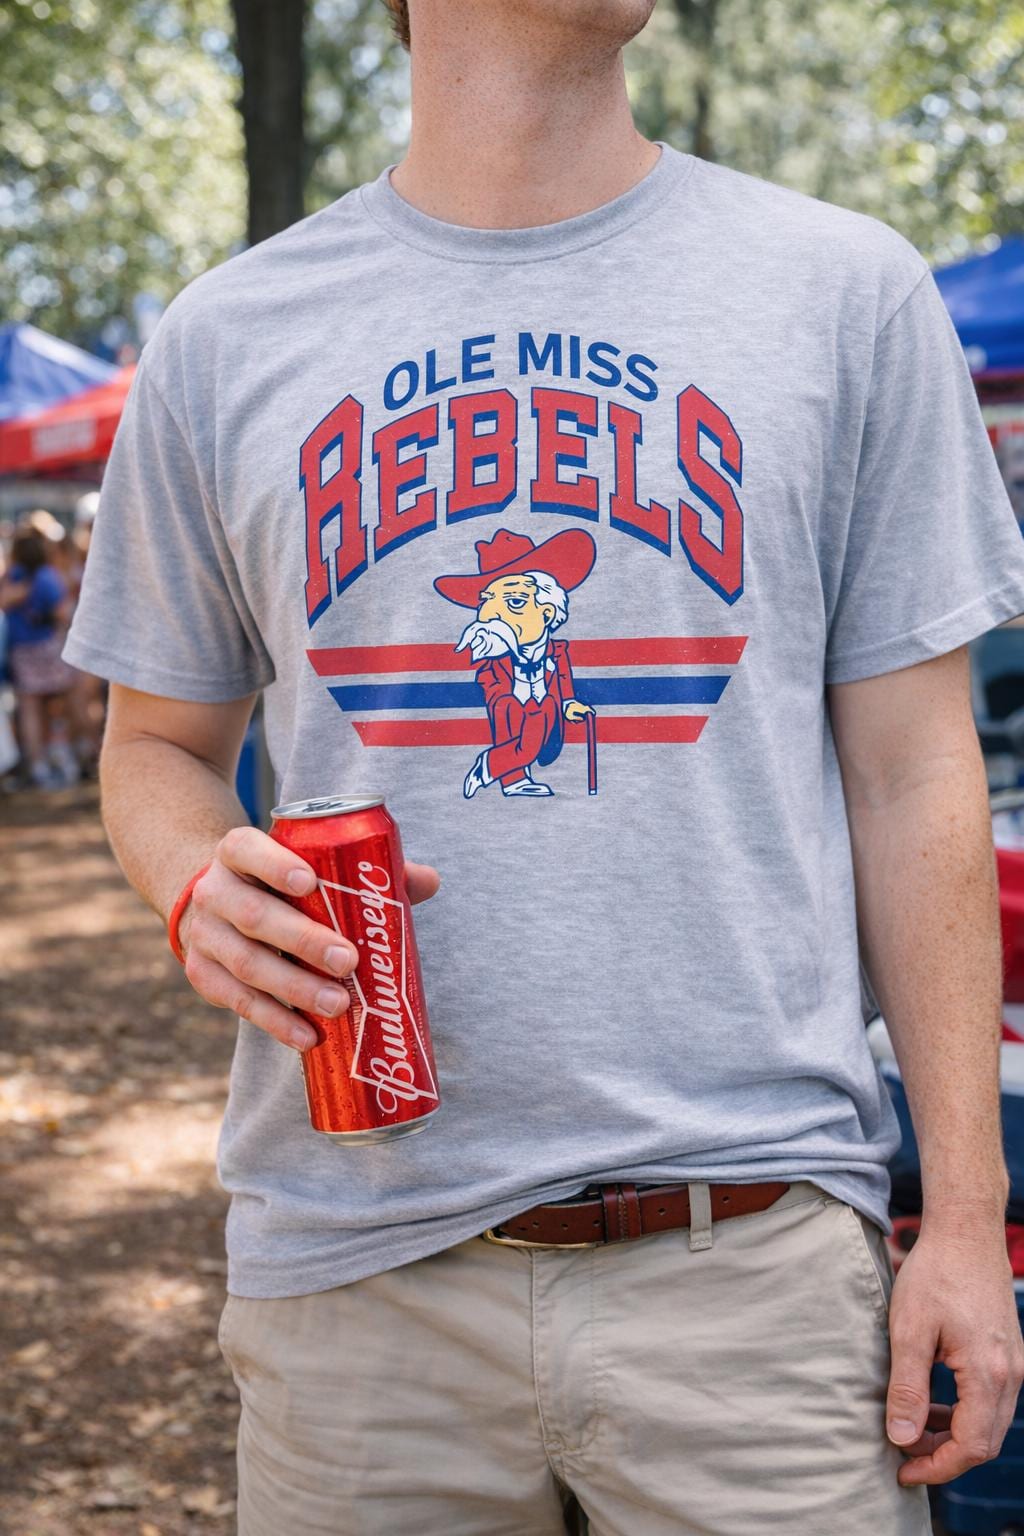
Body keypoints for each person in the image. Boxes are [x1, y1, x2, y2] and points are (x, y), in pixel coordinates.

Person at [65, 1, 1024, 1530]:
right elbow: (158, 746)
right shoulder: (227, 335)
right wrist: (195, 878)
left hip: (757, 1266)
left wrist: (965, 1221)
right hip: (360, 1275)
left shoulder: (842, 293)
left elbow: (918, 775)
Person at [1, 523, 78, 789]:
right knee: (55, 707)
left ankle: (38, 764)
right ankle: (59, 757)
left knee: (30, 709)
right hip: (47, 649)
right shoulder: (47, 576)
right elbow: (64, 613)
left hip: (22, 652)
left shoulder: (12, 576)